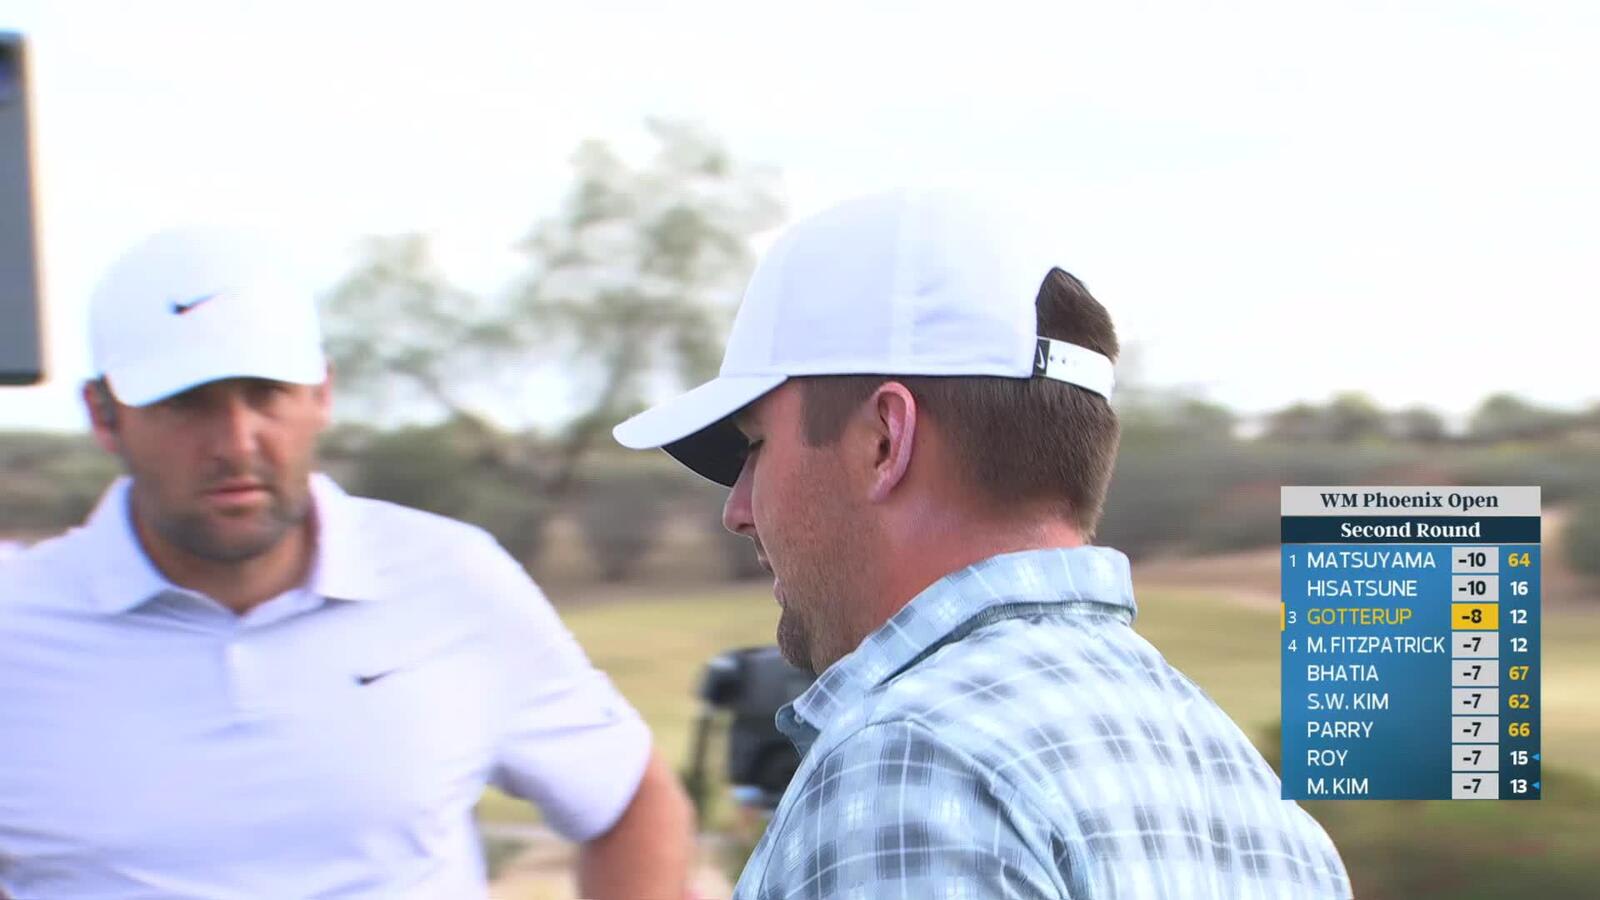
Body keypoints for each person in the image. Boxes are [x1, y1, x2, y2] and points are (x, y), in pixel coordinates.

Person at [615, 190, 1353, 898]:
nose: (738, 511)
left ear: (883, 440)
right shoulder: (1254, 800)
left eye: (756, 446)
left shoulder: (914, 765)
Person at [0, 227, 694, 899]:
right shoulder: (17, 624)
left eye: (265, 393)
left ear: (322, 393)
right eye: (188, 405)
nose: (237, 442)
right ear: (103, 413)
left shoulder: (452, 579)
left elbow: (629, 799)